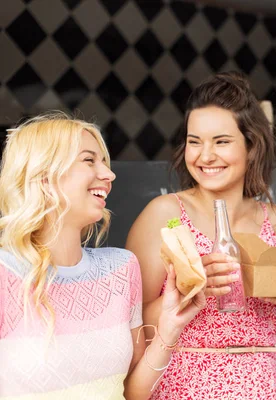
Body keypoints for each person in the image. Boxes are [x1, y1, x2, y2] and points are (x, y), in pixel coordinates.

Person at [126, 72, 276, 400]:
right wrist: (186, 293)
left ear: (252, 147)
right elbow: (130, 325)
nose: (204, 156)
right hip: (183, 387)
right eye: (195, 141)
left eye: (221, 141)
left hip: (263, 387)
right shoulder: (165, 214)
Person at [0, 113, 204, 399]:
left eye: (104, 162)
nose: (109, 175)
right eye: (89, 160)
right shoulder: (4, 273)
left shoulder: (120, 269)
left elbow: (132, 392)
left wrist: (169, 329)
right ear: (44, 175)